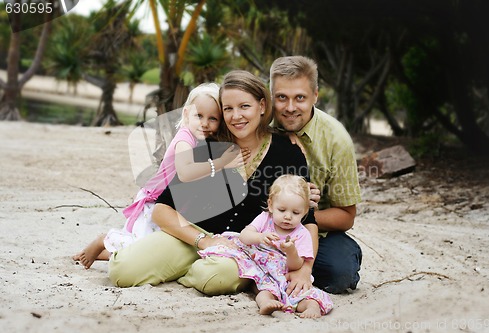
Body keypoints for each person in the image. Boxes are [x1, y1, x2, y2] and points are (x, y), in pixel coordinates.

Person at [107, 70, 318, 296]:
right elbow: (161, 210)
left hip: (244, 249)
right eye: (228, 109)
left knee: (215, 278)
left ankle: (187, 272)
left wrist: (306, 270)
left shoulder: (288, 152)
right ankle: (185, 267)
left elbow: (309, 222)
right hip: (194, 237)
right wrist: (204, 241)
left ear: (262, 106)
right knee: (122, 271)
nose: (236, 116)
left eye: (244, 106)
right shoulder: (208, 147)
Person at [73, 83, 246, 269]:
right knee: (140, 244)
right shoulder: (184, 138)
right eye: (199, 116)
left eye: (213, 118)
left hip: (168, 203)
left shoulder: (198, 139)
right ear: (187, 114)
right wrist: (221, 163)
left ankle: (99, 254)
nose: (205, 123)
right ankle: (103, 240)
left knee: (144, 249)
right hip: (154, 202)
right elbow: (186, 172)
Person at [270, 56, 362, 294]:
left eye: (300, 97)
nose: (290, 107)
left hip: (317, 233)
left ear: (315, 96)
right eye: (282, 97)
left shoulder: (336, 139)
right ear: (271, 97)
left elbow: (346, 216)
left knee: (338, 273)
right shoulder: (258, 125)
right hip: (264, 229)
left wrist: (300, 215)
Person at [199, 174, 333, 318]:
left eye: (295, 212)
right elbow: (244, 236)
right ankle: (266, 304)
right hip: (263, 269)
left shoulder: (302, 234)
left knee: (304, 294)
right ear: (270, 205)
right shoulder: (265, 218)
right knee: (264, 289)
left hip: (284, 273)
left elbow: (296, 266)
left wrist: (291, 251)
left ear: (305, 211)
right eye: (282, 210)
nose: (288, 216)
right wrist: (259, 237)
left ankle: (311, 308)